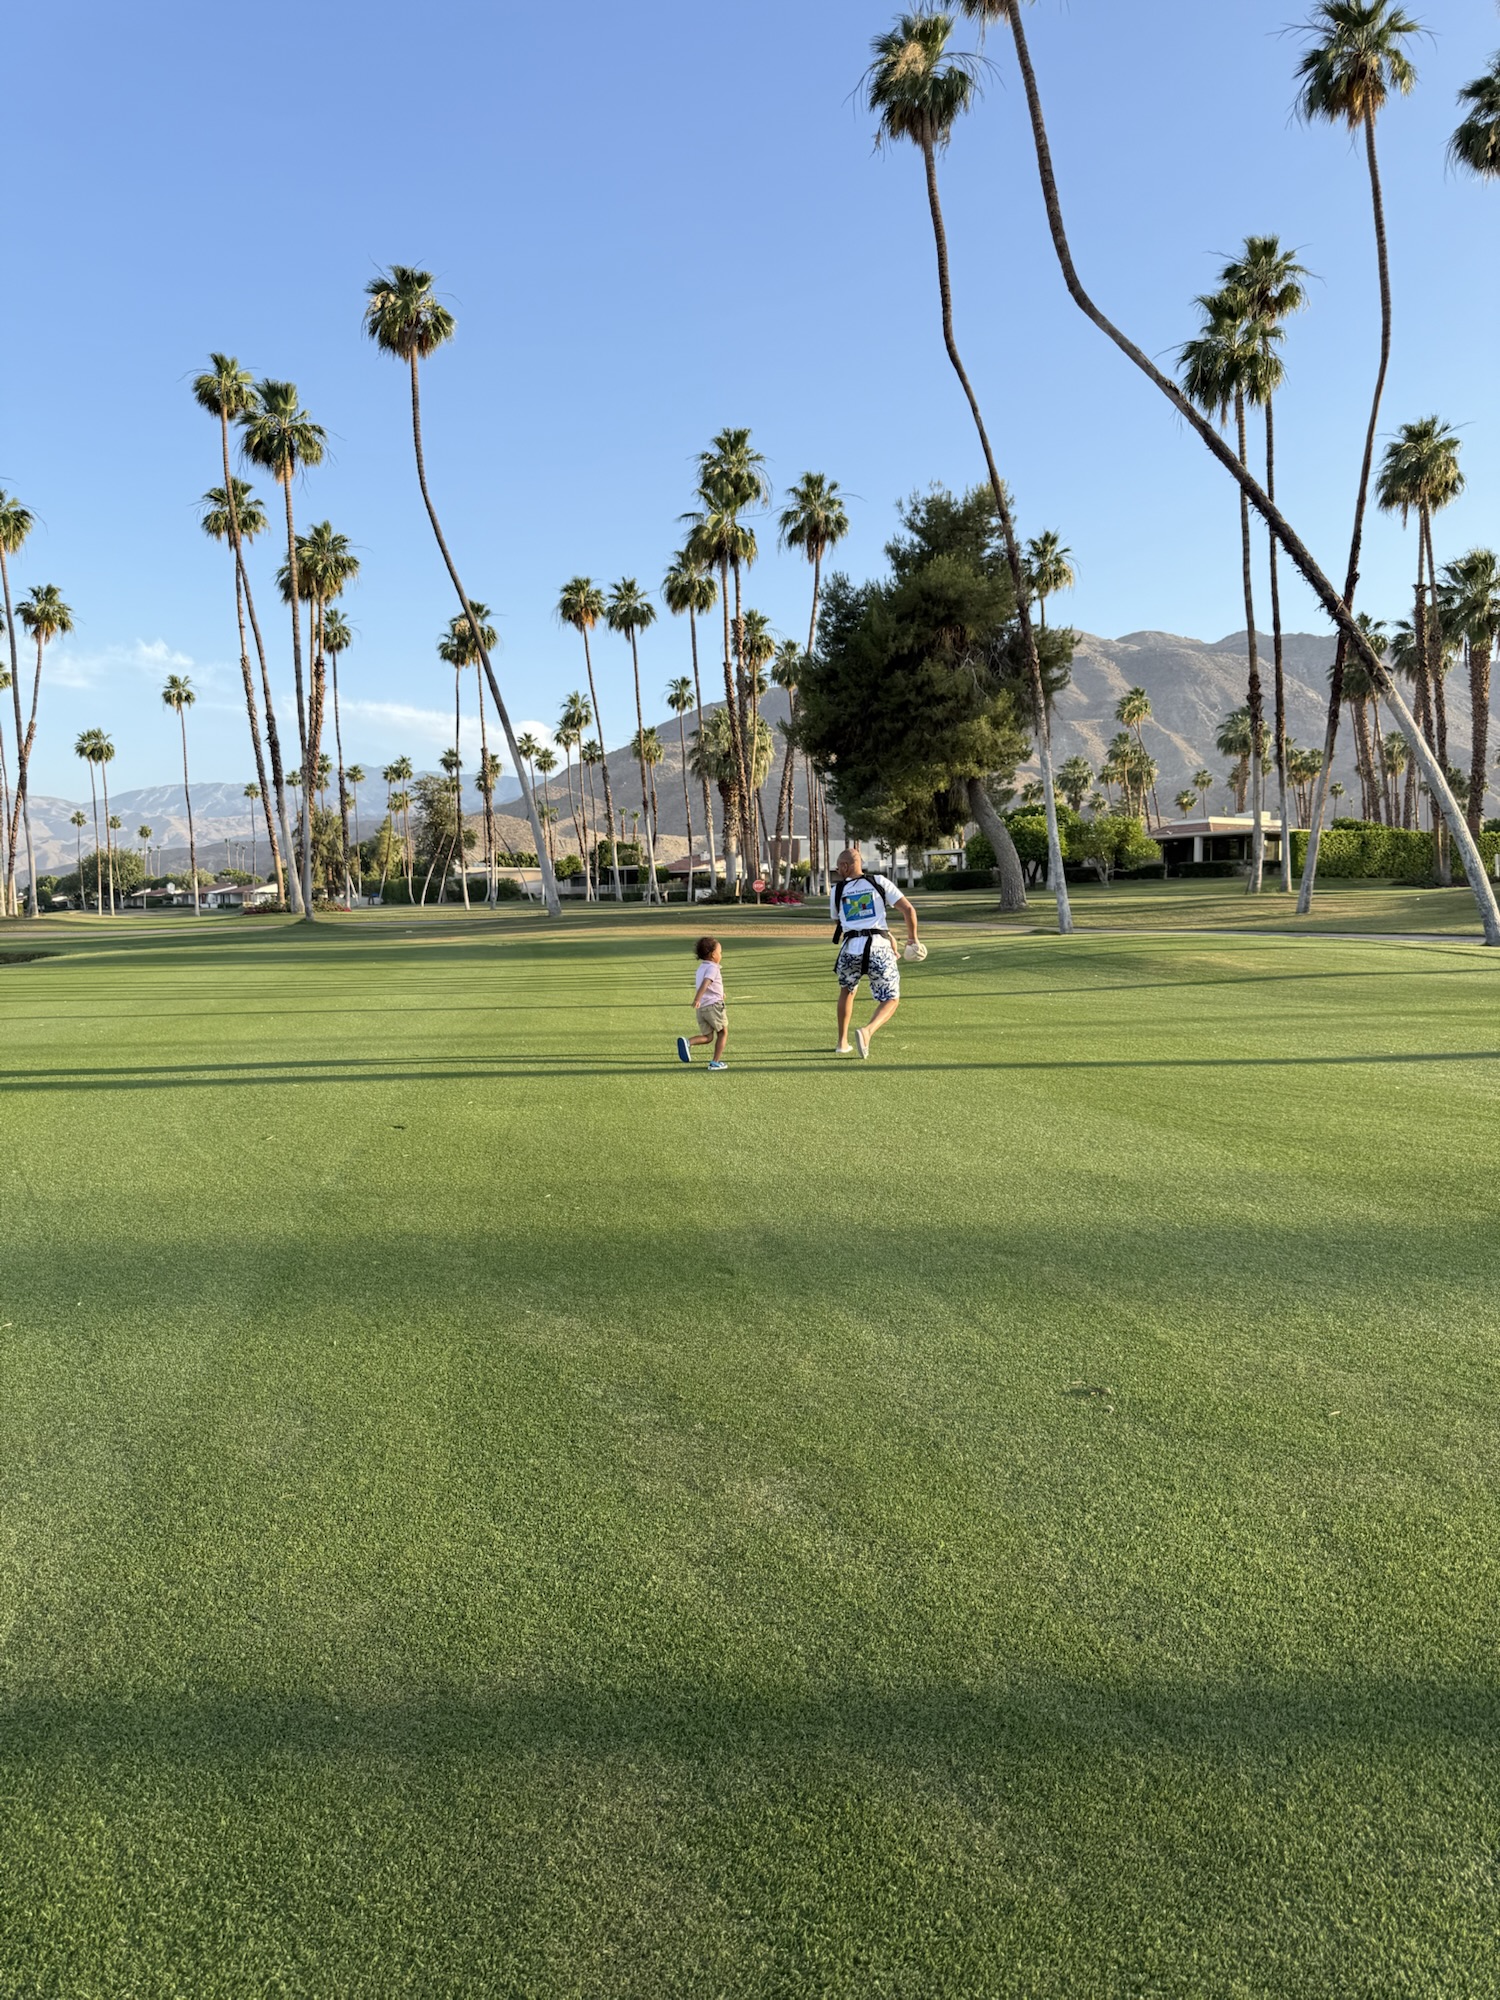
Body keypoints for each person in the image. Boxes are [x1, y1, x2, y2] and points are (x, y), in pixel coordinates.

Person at [830, 847, 919, 1059]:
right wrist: (912, 939)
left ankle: (842, 1043)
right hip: (878, 947)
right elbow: (908, 909)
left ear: (845, 866)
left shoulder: (837, 890)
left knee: (847, 991)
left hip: (850, 949)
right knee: (891, 998)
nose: (837, 870)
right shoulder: (878, 882)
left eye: (838, 866)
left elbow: (838, 921)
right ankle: (867, 1031)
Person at [678, 935, 729, 1070]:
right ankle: (715, 1062)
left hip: (702, 1009)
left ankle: (688, 1042)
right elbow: (706, 983)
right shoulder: (713, 968)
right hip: (714, 1006)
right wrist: (697, 998)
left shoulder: (701, 967)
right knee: (723, 1033)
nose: (721, 955)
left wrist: (719, 993)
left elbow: (709, 985)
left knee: (708, 1037)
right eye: (720, 952)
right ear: (713, 955)